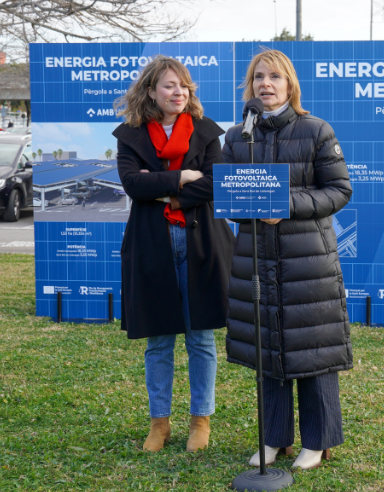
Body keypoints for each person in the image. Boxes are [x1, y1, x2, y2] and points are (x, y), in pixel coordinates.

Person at [224, 49, 354, 471]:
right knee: (268, 352)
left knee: (313, 351)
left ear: (289, 84)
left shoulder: (316, 130)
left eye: (274, 77)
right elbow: (227, 195)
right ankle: (273, 439)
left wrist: (288, 202)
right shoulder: (236, 137)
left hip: (307, 261)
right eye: (258, 77)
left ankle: (318, 441)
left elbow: (338, 191)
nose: (265, 84)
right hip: (257, 259)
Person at [113, 55, 234, 453]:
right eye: (169, 85)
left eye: (183, 85)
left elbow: (215, 184)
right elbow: (133, 185)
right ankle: (159, 423)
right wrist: (182, 176)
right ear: (151, 91)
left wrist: (160, 187)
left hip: (201, 244)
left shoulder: (206, 133)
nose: (178, 91)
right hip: (153, 244)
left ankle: (201, 420)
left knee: (200, 337)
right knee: (159, 339)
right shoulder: (130, 136)